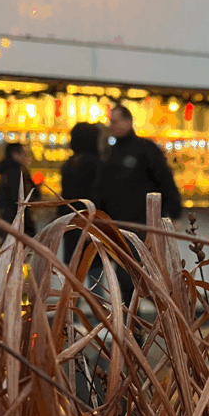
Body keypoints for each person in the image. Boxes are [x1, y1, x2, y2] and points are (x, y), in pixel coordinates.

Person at [97, 104, 182, 301]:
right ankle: (133, 322)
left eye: (115, 121)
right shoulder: (109, 153)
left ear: (128, 121)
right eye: (110, 121)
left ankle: (167, 314)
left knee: (136, 275)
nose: (111, 126)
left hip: (141, 225)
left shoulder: (145, 149)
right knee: (125, 274)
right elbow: (102, 188)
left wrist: (174, 213)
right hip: (116, 224)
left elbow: (165, 181)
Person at [57, 122, 102, 264]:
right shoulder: (96, 164)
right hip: (91, 224)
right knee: (95, 272)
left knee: (73, 272)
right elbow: (98, 197)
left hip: (71, 223)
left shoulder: (69, 165)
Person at [0, 143, 41, 243]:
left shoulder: (5, 172)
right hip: (17, 224)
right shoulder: (17, 173)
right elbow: (18, 200)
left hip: (6, 222)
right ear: (15, 154)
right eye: (24, 154)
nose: (26, 158)